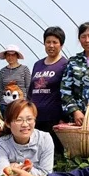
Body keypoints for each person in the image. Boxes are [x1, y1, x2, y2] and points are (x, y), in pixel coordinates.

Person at [0, 99, 54, 176]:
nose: (25, 124)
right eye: (18, 120)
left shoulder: (45, 139)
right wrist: (29, 170)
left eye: (29, 119)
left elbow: (47, 174)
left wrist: (16, 167)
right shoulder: (1, 144)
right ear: (8, 123)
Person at [27, 26, 67, 157]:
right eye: (48, 42)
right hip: (36, 117)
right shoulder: (38, 65)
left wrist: (64, 117)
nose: (51, 45)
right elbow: (31, 90)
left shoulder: (65, 65)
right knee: (34, 153)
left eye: (55, 42)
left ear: (61, 44)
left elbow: (67, 92)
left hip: (54, 119)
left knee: (54, 154)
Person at [0, 45, 31, 117]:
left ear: (17, 56)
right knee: (7, 126)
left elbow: (28, 87)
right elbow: (0, 89)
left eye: (13, 55)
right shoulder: (3, 71)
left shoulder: (24, 69)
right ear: (5, 57)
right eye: (8, 55)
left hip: (20, 105)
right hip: (5, 105)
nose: (10, 57)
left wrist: (28, 103)